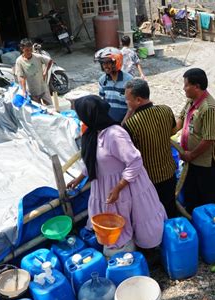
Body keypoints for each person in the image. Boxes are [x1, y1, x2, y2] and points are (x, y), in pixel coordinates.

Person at [67, 95, 167, 253]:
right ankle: (128, 251)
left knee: (135, 218)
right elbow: (94, 162)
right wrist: (79, 178)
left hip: (126, 185)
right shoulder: (93, 132)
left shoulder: (115, 134)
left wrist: (119, 188)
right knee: (119, 223)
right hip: (108, 188)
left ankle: (146, 252)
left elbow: (135, 161)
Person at [123, 79, 178, 218]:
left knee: (153, 214)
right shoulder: (166, 110)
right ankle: (174, 235)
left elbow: (122, 139)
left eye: (128, 100)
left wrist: (129, 112)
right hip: (169, 172)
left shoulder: (132, 123)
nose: (126, 103)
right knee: (170, 208)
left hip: (148, 179)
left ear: (138, 100)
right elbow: (172, 131)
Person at [174, 68, 215, 213]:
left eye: (186, 85)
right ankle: (195, 218)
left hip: (207, 163)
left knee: (209, 197)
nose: (184, 88)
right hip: (192, 159)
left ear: (196, 86)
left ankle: (214, 224)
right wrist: (168, 132)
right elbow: (181, 119)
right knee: (192, 193)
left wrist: (191, 155)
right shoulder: (191, 101)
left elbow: (208, 139)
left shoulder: (209, 108)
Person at [95, 47, 133, 123]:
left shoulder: (129, 80)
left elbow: (131, 107)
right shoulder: (102, 80)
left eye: (108, 62)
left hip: (126, 122)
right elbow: (103, 102)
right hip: (109, 121)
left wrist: (123, 124)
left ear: (117, 62)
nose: (105, 66)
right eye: (103, 63)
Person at [15, 38, 53, 105]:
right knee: (39, 110)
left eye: (30, 50)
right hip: (32, 91)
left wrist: (45, 71)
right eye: (27, 50)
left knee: (50, 107)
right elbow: (21, 77)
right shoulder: (19, 61)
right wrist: (24, 91)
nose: (29, 52)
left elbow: (50, 61)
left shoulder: (37, 57)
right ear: (22, 49)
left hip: (43, 88)